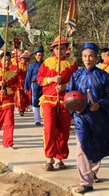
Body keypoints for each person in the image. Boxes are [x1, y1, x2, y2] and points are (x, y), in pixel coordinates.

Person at [66, 42, 109, 194]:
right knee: (82, 148)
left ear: (96, 58)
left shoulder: (103, 76)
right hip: (81, 117)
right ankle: (85, 182)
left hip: (98, 118)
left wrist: (100, 104)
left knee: (97, 146)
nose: (87, 59)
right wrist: (74, 107)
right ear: (81, 58)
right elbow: (69, 94)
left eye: (90, 56)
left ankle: (92, 171)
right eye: (84, 56)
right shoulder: (76, 75)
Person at [37, 37, 78, 171]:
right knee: (49, 129)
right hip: (49, 100)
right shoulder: (47, 63)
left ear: (66, 49)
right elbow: (40, 80)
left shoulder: (72, 64)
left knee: (64, 131)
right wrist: (52, 79)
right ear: (53, 50)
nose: (59, 51)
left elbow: (77, 82)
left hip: (65, 101)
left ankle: (60, 158)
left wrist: (66, 85)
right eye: (56, 48)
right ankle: (49, 158)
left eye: (62, 48)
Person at [24, 47, 44, 126]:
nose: (40, 57)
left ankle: (45, 118)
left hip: (44, 85)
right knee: (35, 101)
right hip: (35, 85)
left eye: (41, 55)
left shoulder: (45, 64)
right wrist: (26, 87)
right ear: (35, 56)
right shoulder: (31, 65)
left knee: (44, 101)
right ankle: (37, 120)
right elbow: (28, 76)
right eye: (38, 55)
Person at [11, 51, 31, 116]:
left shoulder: (28, 66)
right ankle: (20, 109)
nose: (24, 60)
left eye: (26, 58)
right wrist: (15, 72)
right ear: (21, 59)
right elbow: (11, 72)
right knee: (19, 96)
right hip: (18, 83)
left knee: (25, 96)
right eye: (23, 58)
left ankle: (23, 108)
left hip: (26, 82)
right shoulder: (17, 65)